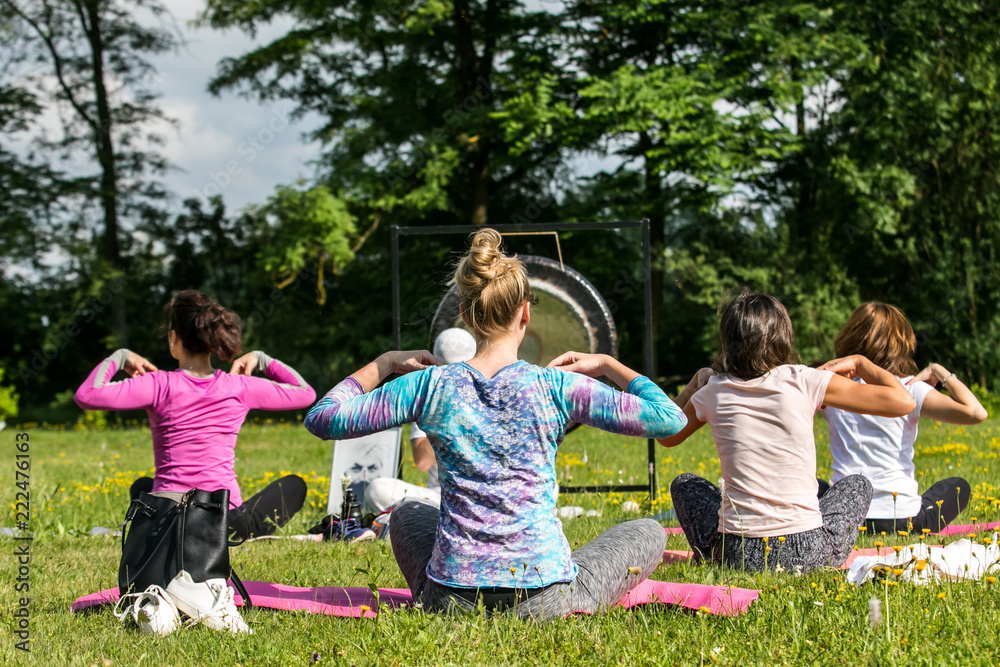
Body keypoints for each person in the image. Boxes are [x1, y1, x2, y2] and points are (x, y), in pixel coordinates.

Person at [305, 228, 687, 619]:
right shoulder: (557, 386)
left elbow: (321, 418)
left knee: (404, 513)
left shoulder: (426, 385)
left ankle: (432, 590)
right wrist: (607, 364)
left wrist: (383, 364)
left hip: (451, 597)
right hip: (545, 597)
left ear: (465, 314)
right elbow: (670, 419)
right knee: (649, 532)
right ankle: (574, 597)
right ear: (525, 311)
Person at [658, 288, 916, 573]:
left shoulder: (713, 390)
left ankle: (710, 555)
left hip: (737, 555)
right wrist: (860, 363)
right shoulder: (804, 379)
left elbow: (666, 435)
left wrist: (695, 384)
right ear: (783, 336)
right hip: (806, 552)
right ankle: (823, 553)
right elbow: (904, 402)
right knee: (858, 485)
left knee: (685, 484)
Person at [74, 290, 316, 541]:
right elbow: (306, 393)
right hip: (222, 521)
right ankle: (241, 531)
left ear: (173, 339)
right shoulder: (238, 386)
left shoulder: (158, 384)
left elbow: (86, 395)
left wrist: (120, 356)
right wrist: (263, 360)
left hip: (166, 517)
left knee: (142, 488)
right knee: (294, 486)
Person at [823, 302, 987, 534]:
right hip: (903, 519)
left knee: (817, 487)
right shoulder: (910, 389)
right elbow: (976, 412)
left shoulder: (832, 389)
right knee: (959, 487)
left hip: (846, 518)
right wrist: (938, 371)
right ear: (900, 344)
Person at [362, 328, 478, 517]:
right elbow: (423, 461)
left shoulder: (488, 394)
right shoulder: (429, 399)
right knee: (377, 489)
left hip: (481, 496)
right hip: (440, 496)